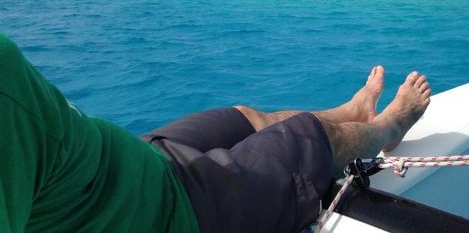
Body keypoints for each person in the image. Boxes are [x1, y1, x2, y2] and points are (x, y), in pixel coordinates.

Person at [0, 34, 430, 233]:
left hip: (136, 158)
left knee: (244, 116)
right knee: (312, 136)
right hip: (170, 213)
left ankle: (351, 109)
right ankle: (388, 126)